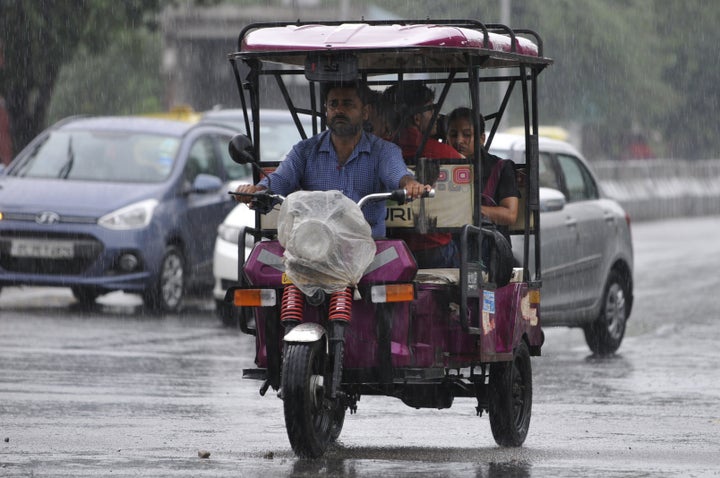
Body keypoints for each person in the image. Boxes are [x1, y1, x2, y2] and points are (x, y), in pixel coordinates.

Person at [233, 81, 431, 238]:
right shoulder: (305, 151)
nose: (339, 110)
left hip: (368, 248)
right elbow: (281, 179)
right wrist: (258, 191)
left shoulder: (383, 151)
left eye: (348, 104)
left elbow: (398, 174)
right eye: (333, 104)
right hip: (315, 246)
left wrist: (410, 185)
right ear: (326, 110)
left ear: (365, 112)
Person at [383, 81, 464, 268]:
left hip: (390, 250)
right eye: (432, 109)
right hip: (435, 250)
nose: (436, 115)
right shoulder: (448, 155)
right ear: (417, 118)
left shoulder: (379, 151)